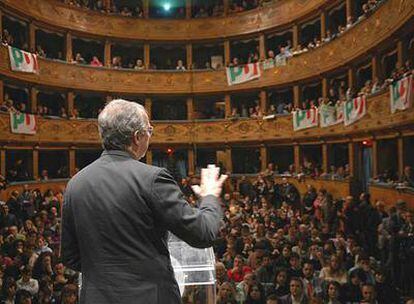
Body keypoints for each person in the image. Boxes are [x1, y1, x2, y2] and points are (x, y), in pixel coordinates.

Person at [61, 99, 227, 304]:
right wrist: (210, 196)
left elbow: (69, 256)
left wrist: (108, 275)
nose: (150, 135)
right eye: (149, 130)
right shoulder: (152, 179)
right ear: (137, 137)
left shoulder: (75, 184)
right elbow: (202, 233)